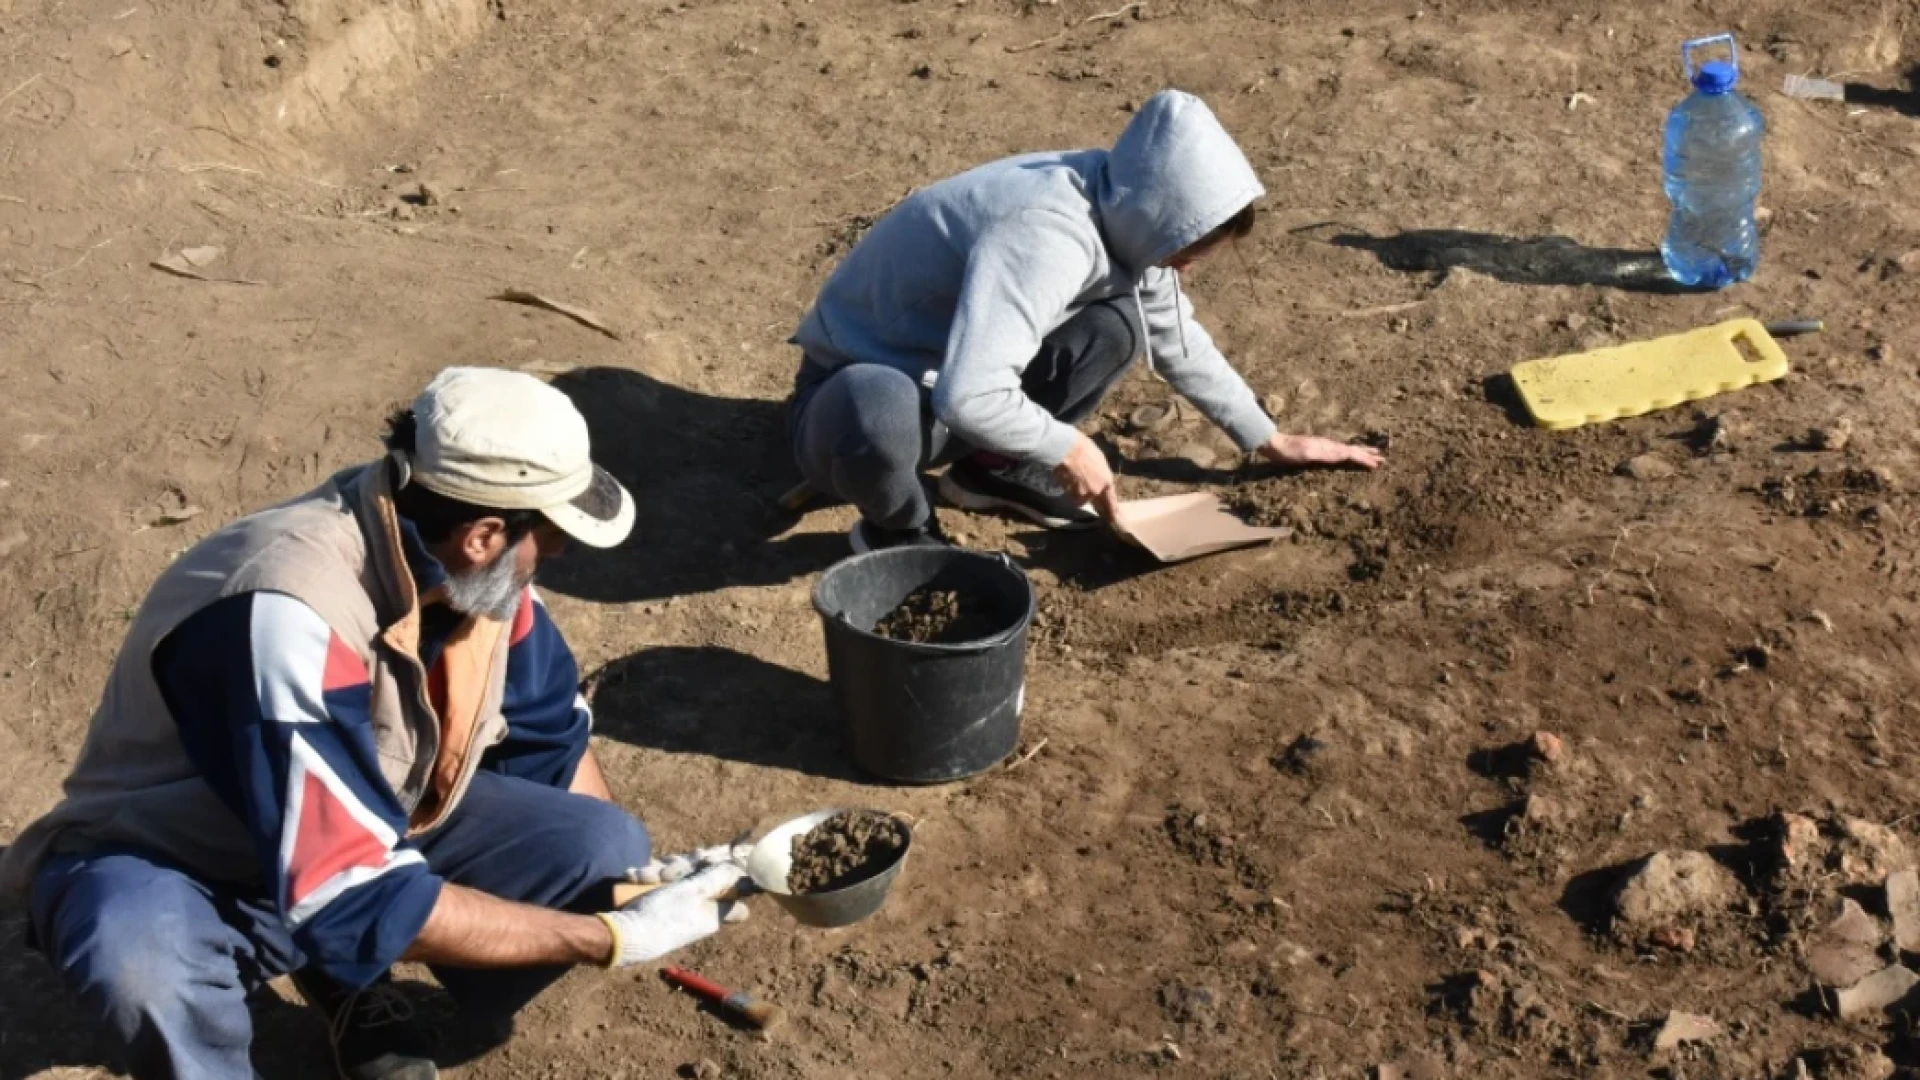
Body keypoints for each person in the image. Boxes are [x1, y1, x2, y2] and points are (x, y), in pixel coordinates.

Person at [0, 368, 749, 1080]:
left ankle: (346, 974)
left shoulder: (480, 588)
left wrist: (641, 889)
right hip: (183, 857)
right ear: (485, 534)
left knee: (600, 843)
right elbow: (351, 894)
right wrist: (611, 937)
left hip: (354, 834)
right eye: (547, 538)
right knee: (140, 962)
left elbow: (550, 745)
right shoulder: (290, 615)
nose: (549, 557)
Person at [789, 88, 1385, 554]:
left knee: (1119, 325)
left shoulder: (1125, 204)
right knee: (879, 409)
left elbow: (1173, 337)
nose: (1185, 270)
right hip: (848, 401)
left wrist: (1267, 437)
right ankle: (900, 530)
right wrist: (1068, 445)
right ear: (1161, 218)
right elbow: (968, 396)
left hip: (945, 392)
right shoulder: (1045, 233)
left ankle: (993, 471)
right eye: (1183, 254)